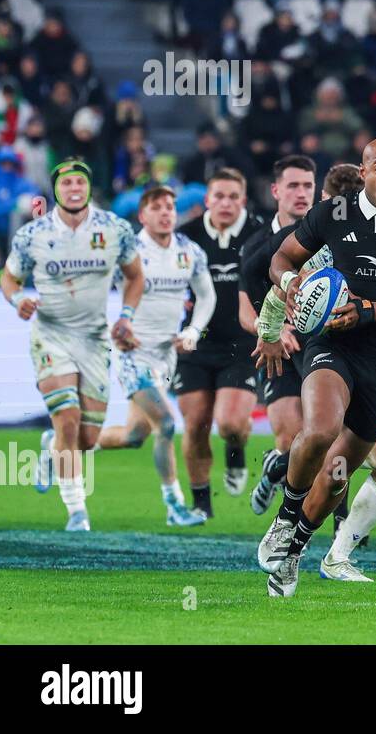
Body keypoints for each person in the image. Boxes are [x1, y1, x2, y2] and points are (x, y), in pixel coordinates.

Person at [255, 137, 376, 597]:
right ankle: (286, 519)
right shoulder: (336, 212)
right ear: (362, 172)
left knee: (340, 470)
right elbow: (281, 258)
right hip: (332, 343)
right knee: (321, 430)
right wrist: (292, 281)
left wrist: (370, 310)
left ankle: (295, 553)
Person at [1, 159, 144, 531]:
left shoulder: (114, 229)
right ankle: (77, 511)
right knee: (68, 416)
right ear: (56, 190)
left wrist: (126, 315)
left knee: (86, 437)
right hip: (51, 335)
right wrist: (18, 301)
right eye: (66, 183)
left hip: (95, 339)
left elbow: (135, 275)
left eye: (80, 181)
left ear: (89, 187)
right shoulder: (33, 234)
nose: (74, 188)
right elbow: (9, 278)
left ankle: (52, 449)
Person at [98, 185, 214, 527]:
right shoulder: (128, 251)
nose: (166, 213)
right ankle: (174, 505)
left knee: (135, 436)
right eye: (157, 207)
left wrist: (192, 332)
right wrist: (116, 327)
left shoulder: (189, 251)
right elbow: (94, 289)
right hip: (133, 353)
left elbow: (206, 297)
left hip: (166, 355)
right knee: (165, 423)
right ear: (142, 215)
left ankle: (62, 443)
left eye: (170, 207)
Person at [174, 168, 266, 518]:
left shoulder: (259, 233)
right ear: (207, 200)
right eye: (219, 196)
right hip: (195, 345)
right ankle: (201, 506)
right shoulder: (186, 237)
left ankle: (235, 452)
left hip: (242, 345)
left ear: (243, 200)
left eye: (233, 197)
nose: (226, 203)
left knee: (229, 423)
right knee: (195, 424)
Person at [238, 155, 318, 516]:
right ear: (276, 191)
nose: (301, 194)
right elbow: (243, 311)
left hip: (322, 348)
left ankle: (277, 469)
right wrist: (272, 330)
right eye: (293, 186)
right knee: (292, 439)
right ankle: (282, 478)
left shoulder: (328, 236)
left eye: (308, 186)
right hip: (278, 352)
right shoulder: (257, 245)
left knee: (322, 440)